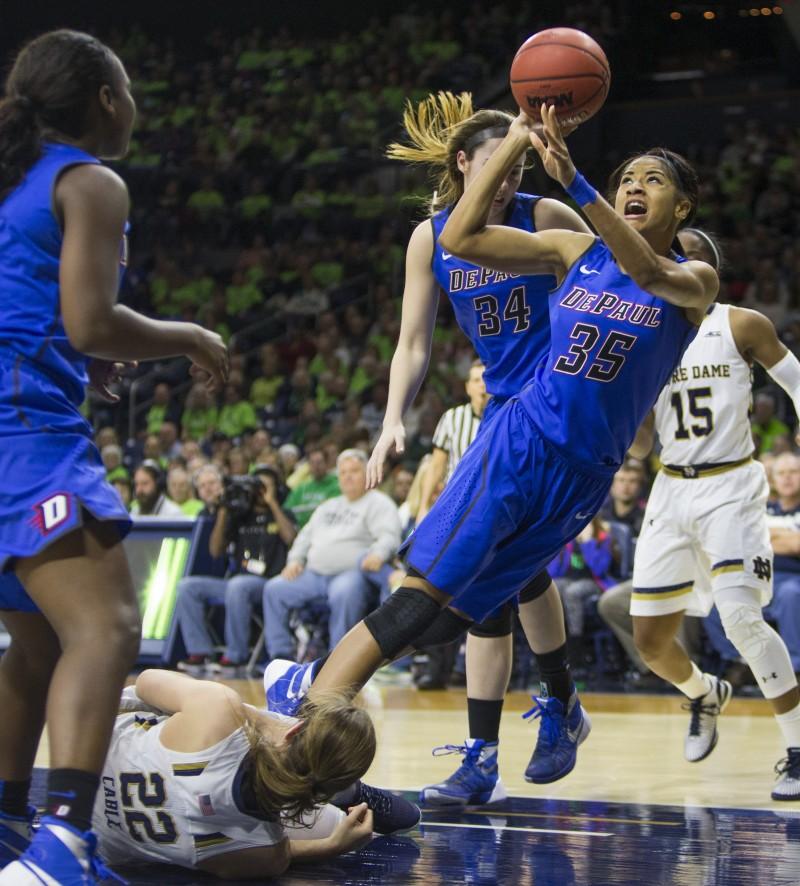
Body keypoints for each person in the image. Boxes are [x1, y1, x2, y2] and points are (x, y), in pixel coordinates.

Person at [263, 104, 716, 802]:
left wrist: (577, 184)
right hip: (519, 433)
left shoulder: (685, 276)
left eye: (651, 180)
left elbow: (650, 270)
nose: (633, 184)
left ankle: (541, 705)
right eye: (626, 175)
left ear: (681, 207)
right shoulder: (574, 251)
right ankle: (314, 709)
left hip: (585, 473)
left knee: (464, 610)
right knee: (432, 597)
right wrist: (517, 142)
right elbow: (463, 238)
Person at [0, 30, 227, 884]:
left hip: (12, 421)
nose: (132, 104)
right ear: (103, 98)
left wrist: (74, 355)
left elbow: (48, 311)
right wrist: (189, 337)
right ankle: (63, 846)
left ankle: (8, 831)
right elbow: (93, 320)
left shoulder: (11, 177)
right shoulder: (88, 181)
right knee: (108, 628)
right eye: (126, 89)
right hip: (25, 435)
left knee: (36, 646)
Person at [354, 91, 596, 804]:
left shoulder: (546, 217)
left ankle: (500, 744)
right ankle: (546, 713)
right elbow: (414, 341)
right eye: (498, 164)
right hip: (500, 419)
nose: (512, 178)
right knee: (508, 575)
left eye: (520, 166)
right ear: (463, 164)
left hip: (553, 411)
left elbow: (609, 297)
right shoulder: (431, 238)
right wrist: (394, 416)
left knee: (494, 571)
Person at [630, 226, 800, 799]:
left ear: (709, 272)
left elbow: (797, 382)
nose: (678, 261)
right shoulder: (644, 335)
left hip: (731, 485)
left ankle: (798, 747)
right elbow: (641, 444)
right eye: (669, 254)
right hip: (671, 490)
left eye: (691, 255)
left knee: (740, 618)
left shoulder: (740, 323)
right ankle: (705, 692)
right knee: (650, 643)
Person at [93, 670, 378, 879]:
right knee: (341, 825)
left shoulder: (218, 709)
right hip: (97, 838)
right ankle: (350, 793)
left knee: (210, 704)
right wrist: (331, 846)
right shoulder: (266, 855)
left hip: (86, 750)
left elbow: (144, 682)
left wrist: (259, 720)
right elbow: (284, 854)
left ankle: (287, 699)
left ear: (293, 732)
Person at [262, 449, 401, 661]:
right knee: (274, 589)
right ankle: (280, 656)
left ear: (367, 472)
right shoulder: (328, 506)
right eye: (343, 472)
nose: (348, 476)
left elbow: (389, 536)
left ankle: (338, 660)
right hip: (314, 575)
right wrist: (295, 561)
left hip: (352, 573)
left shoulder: (379, 503)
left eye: (354, 471)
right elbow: (303, 538)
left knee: (343, 592)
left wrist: (378, 554)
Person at [175, 466, 297, 677]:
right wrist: (224, 509)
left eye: (265, 487)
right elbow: (215, 550)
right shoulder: (241, 516)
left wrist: (272, 504)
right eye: (256, 487)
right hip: (235, 584)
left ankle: (236, 655)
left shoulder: (283, 513)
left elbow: (291, 539)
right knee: (187, 586)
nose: (259, 492)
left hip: (269, 583)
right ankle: (199, 651)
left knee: (237, 585)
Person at [413, 359, 488, 690]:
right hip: (455, 513)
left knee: (485, 593)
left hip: (492, 514)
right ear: (467, 386)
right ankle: (435, 665)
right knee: (440, 587)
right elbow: (437, 466)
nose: (482, 386)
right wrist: (422, 511)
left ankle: (474, 668)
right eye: (475, 380)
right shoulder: (452, 419)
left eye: (486, 379)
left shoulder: (507, 412)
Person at [283, 445, 340, 528]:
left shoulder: (336, 485)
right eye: (312, 462)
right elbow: (287, 509)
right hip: (301, 530)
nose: (316, 466)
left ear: (327, 463)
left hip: (326, 528)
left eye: (319, 462)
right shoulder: (302, 487)